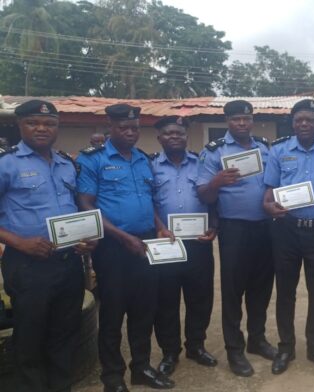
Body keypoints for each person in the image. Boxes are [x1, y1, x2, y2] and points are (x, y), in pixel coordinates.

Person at [76, 104, 174, 391]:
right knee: (113, 313)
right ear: (111, 126)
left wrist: (159, 226)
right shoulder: (93, 159)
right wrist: (122, 237)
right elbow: (86, 204)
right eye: (123, 127)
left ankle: (141, 368)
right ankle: (113, 376)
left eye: (134, 128)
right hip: (112, 248)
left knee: (144, 310)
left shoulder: (143, 159)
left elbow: (147, 200)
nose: (130, 132)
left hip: (144, 243)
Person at [0, 100, 97, 392]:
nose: (41, 128)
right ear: (20, 126)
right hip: (28, 265)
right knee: (30, 338)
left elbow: (76, 210)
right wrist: (20, 243)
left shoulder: (68, 164)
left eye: (49, 123)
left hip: (68, 263)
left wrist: (86, 238)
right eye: (33, 122)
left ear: (57, 127)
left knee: (64, 334)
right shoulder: (7, 164)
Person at [262, 99, 314, 375]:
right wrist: (268, 205)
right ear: (292, 124)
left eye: (309, 119)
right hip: (286, 230)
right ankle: (286, 348)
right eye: (299, 120)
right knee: (286, 293)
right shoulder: (279, 150)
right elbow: (269, 192)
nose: (304, 124)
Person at [197, 100, 277, 377]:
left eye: (246, 119)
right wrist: (217, 182)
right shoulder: (214, 152)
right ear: (227, 121)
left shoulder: (266, 148)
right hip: (234, 230)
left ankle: (257, 339)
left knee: (262, 288)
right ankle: (235, 349)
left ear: (252, 120)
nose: (242, 124)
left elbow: (275, 183)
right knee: (233, 291)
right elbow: (204, 195)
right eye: (236, 120)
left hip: (266, 228)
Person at [150, 116, 218, 377]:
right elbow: (148, 201)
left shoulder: (202, 163)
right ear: (160, 138)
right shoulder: (151, 166)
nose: (174, 137)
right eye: (168, 133)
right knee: (165, 300)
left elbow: (214, 199)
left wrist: (214, 227)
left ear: (186, 136)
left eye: (179, 133)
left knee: (200, 298)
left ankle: (196, 346)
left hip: (198, 243)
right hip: (166, 243)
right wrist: (158, 226)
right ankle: (170, 351)